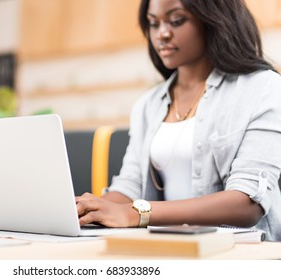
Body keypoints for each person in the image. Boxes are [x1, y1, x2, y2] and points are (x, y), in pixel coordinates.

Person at [76, 0, 281, 241]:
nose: (162, 34)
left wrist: (136, 213)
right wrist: (83, 210)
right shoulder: (148, 104)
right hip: (167, 247)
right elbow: (130, 187)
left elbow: (247, 202)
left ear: (214, 20)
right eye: (153, 24)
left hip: (238, 253)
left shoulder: (263, 88)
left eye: (176, 21)